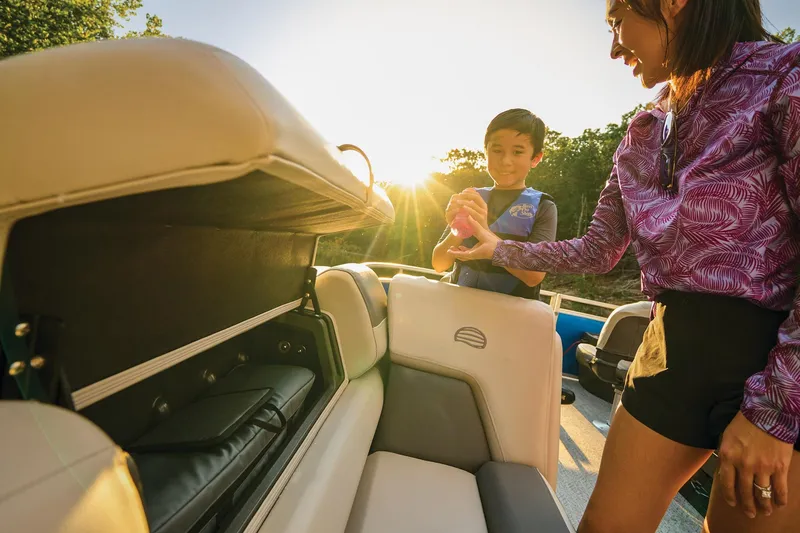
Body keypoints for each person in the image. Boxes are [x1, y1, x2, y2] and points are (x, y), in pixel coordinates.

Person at [448, 1, 800, 532]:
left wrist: (777, 411)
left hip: (775, 360)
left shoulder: (784, 76)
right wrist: (496, 248)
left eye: (617, 22)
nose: (614, 46)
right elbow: (596, 250)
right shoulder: (642, 130)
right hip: (669, 352)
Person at [431, 108, 557, 300]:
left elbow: (534, 276)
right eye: (497, 150)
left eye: (517, 152)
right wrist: (455, 230)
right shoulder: (470, 198)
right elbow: (439, 263)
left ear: (535, 158)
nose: (505, 161)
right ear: (486, 152)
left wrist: (483, 233)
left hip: (512, 318)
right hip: (460, 310)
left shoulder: (543, 207)